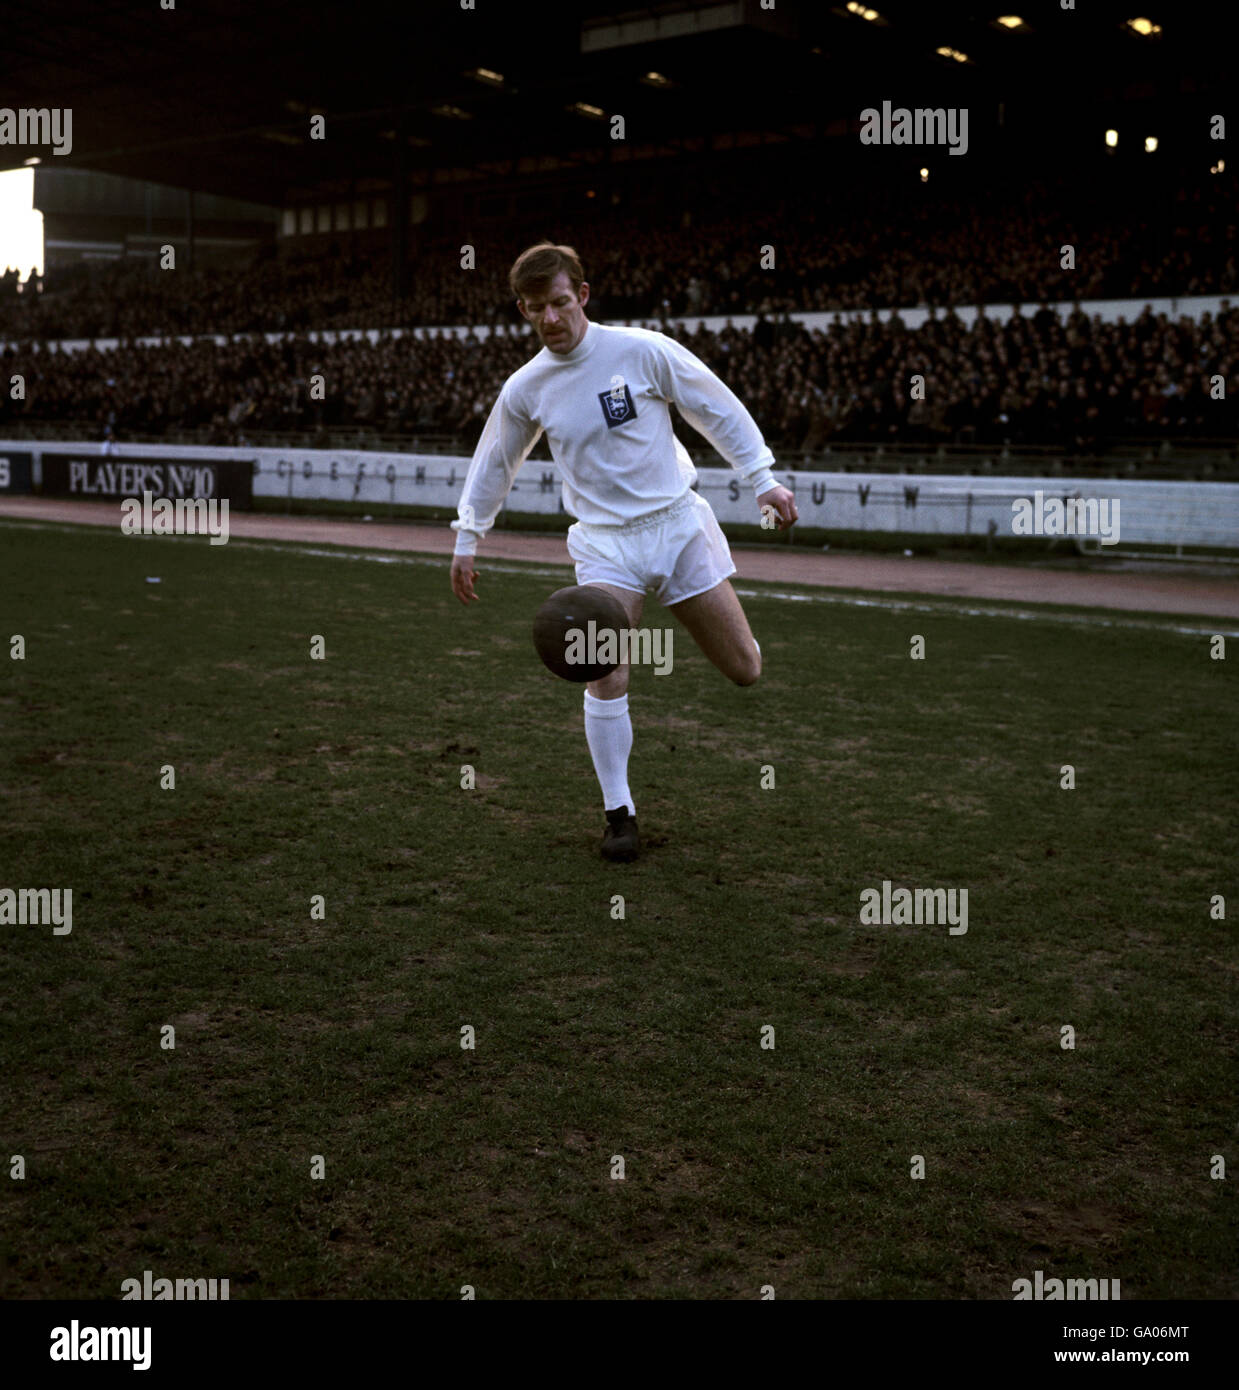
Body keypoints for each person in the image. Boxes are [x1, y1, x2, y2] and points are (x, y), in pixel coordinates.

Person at [449, 243, 797, 861]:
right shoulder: (527, 387)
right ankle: (619, 814)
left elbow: (714, 404)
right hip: (605, 544)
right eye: (535, 309)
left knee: (746, 669)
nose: (550, 319)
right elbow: (494, 460)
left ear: (581, 296)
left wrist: (761, 476)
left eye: (559, 302)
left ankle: (733, 637)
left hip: (678, 527)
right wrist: (468, 536)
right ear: (524, 312)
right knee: (604, 663)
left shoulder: (641, 350)